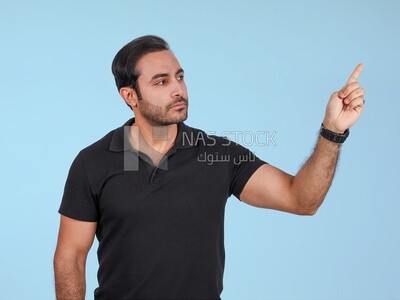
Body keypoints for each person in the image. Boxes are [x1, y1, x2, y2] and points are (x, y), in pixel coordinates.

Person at [54, 35, 365, 300]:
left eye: (180, 76)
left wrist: (332, 131)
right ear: (130, 96)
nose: (178, 89)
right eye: (161, 81)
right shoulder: (92, 162)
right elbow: (71, 257)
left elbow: (302, 200)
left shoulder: (219, 155)